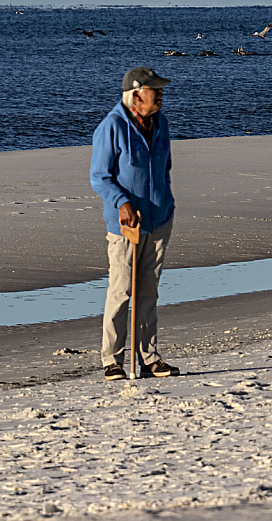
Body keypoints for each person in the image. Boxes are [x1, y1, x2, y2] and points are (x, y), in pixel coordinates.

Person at [90, 66, 179, 380]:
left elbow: (164, 168)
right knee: (121, 290)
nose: (160, 95)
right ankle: (111, 360)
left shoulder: (161, 123)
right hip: (126, 224)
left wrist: (165, 202)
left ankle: (149, 357)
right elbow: (99, 178)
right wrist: (122, 202)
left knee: (148, 292)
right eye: (155, 90)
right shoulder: (111, 126)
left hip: (159, 220)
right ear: (136, 94)